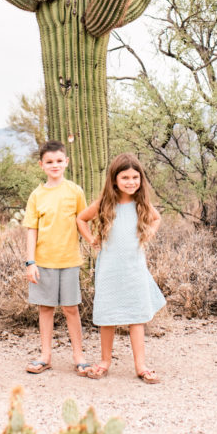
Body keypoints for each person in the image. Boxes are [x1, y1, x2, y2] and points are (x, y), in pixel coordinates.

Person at [76, 152, 165, 383]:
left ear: (141, 179)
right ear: (114, 179)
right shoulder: (106, 204)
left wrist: (149, 234)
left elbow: (156, 219)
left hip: (134, 269)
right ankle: (105, 361)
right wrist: (91, 239)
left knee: (136, 317)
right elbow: (80, 219)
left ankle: (141, 366)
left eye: (135, 177)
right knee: (108, 316)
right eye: (124, 177)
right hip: (109, 270)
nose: (131, 182)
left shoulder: (141, 204)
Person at [22, 139, 92, 375]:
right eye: (50, 162)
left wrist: (94, 241)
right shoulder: (36, 195)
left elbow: (82, 220)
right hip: (43, 262)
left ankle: (79, 356)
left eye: (59, 161)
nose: (55, 165)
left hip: (70, 260)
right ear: (42, 165)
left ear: (66, 162)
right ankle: (45, 356)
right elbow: (32, 230)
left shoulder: (75, 191)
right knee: (46, 309)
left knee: (71, 308)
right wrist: (30, 262)